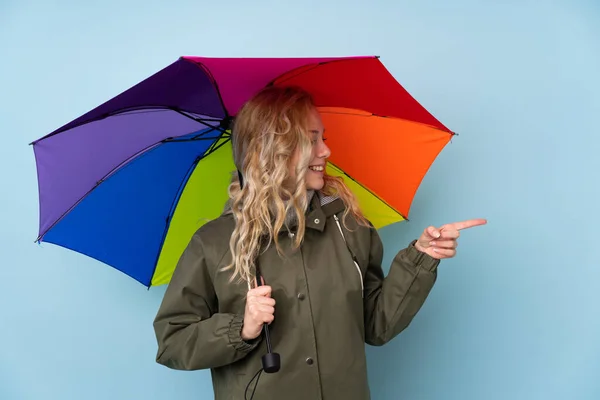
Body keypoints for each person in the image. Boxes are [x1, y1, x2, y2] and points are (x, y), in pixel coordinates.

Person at [152, 86, 486, 400]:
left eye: (323, 138)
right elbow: (173, 341)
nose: (326, 151)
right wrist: (242, 328)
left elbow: (377, 325)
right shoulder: (213, 244)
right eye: (311, 140)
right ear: (273, 151)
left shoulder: (350, 228)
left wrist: (420, 259)